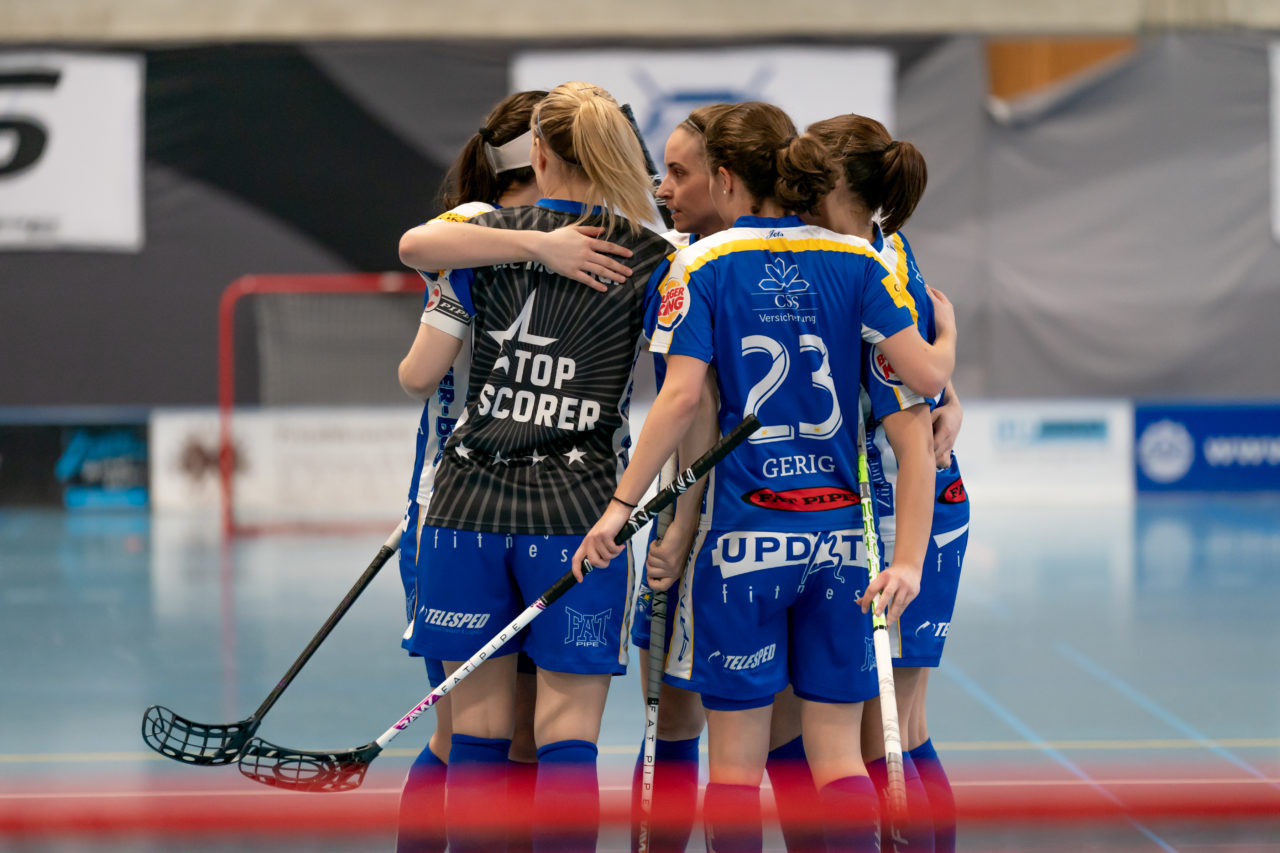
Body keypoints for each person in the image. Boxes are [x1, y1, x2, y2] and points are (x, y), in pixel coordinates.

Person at [574, 101, 954, 853]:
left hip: (744, 541)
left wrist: (622, 509)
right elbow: (916, 414)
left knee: (737, 773)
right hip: (841, 544)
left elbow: (685, 399)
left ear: (725, 178)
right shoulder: (863, 262)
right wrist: (906, 554)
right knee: (840, 757)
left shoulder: (704, 263)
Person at [396, 80, 672, 853]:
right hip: (577, 521)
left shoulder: (484, 233)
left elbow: (415, 246)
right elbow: (685, 394)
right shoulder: (658, 257)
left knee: (475, 738)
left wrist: (529, 240)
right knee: (564, 737)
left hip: (462, 514)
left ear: (540, 155)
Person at [806, 113, 969, 853]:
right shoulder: (881, 246)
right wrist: (949, 390)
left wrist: (906, 555)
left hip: (911, 501)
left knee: (893, 724)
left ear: (834, 181)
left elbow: (917, 404)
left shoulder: (868, 266)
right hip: (897, 495)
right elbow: (933, 375)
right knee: (889, 722)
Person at [394, 88, 547, 853]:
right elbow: (419, 369)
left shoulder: (571, 230)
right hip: (451, 503)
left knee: (518, 735)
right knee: (463, 734)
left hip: (534, 509)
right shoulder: (469, 230)